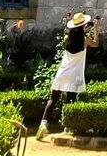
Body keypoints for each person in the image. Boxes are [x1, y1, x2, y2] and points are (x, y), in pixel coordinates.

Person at [36, 12, 100, 140]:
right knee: (70, 100)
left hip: (63, 72)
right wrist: (95, 28)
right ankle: (67, 126)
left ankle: (43, 125)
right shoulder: (85, 41)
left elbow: (69, 31)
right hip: (75, 74)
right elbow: (96, 43)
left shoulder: (67, 38)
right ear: (83, 25)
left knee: (53, 99)